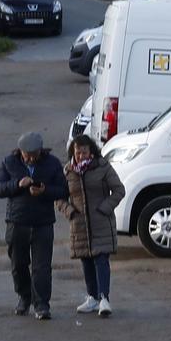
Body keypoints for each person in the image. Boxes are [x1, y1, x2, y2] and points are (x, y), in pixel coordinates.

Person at [0, 131, 65, 319]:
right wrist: (17, 184)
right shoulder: (9, 162)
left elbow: (63, 190)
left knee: (42, 266)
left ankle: (42, 305)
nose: (31, 159)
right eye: (27, 155)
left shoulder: (53, 163)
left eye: (34, 155)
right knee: (18, 264)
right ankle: (24, 297)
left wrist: (45, 191)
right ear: (21, 152)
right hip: (17, 221)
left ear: (41, 151)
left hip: (43, 223)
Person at [57, 134, 126, 317]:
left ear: (91, 151)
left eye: (84, 152)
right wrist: (69, 211)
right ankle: (92, 298)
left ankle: (104, 299)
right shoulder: (68, 171)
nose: (80, 156)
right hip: (79, 224)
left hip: (100, 221)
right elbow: (59, 197)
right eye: (77, 152)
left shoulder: (102, 167)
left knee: (101, 259)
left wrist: (105, 208)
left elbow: (119, 190)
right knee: (86, 260)